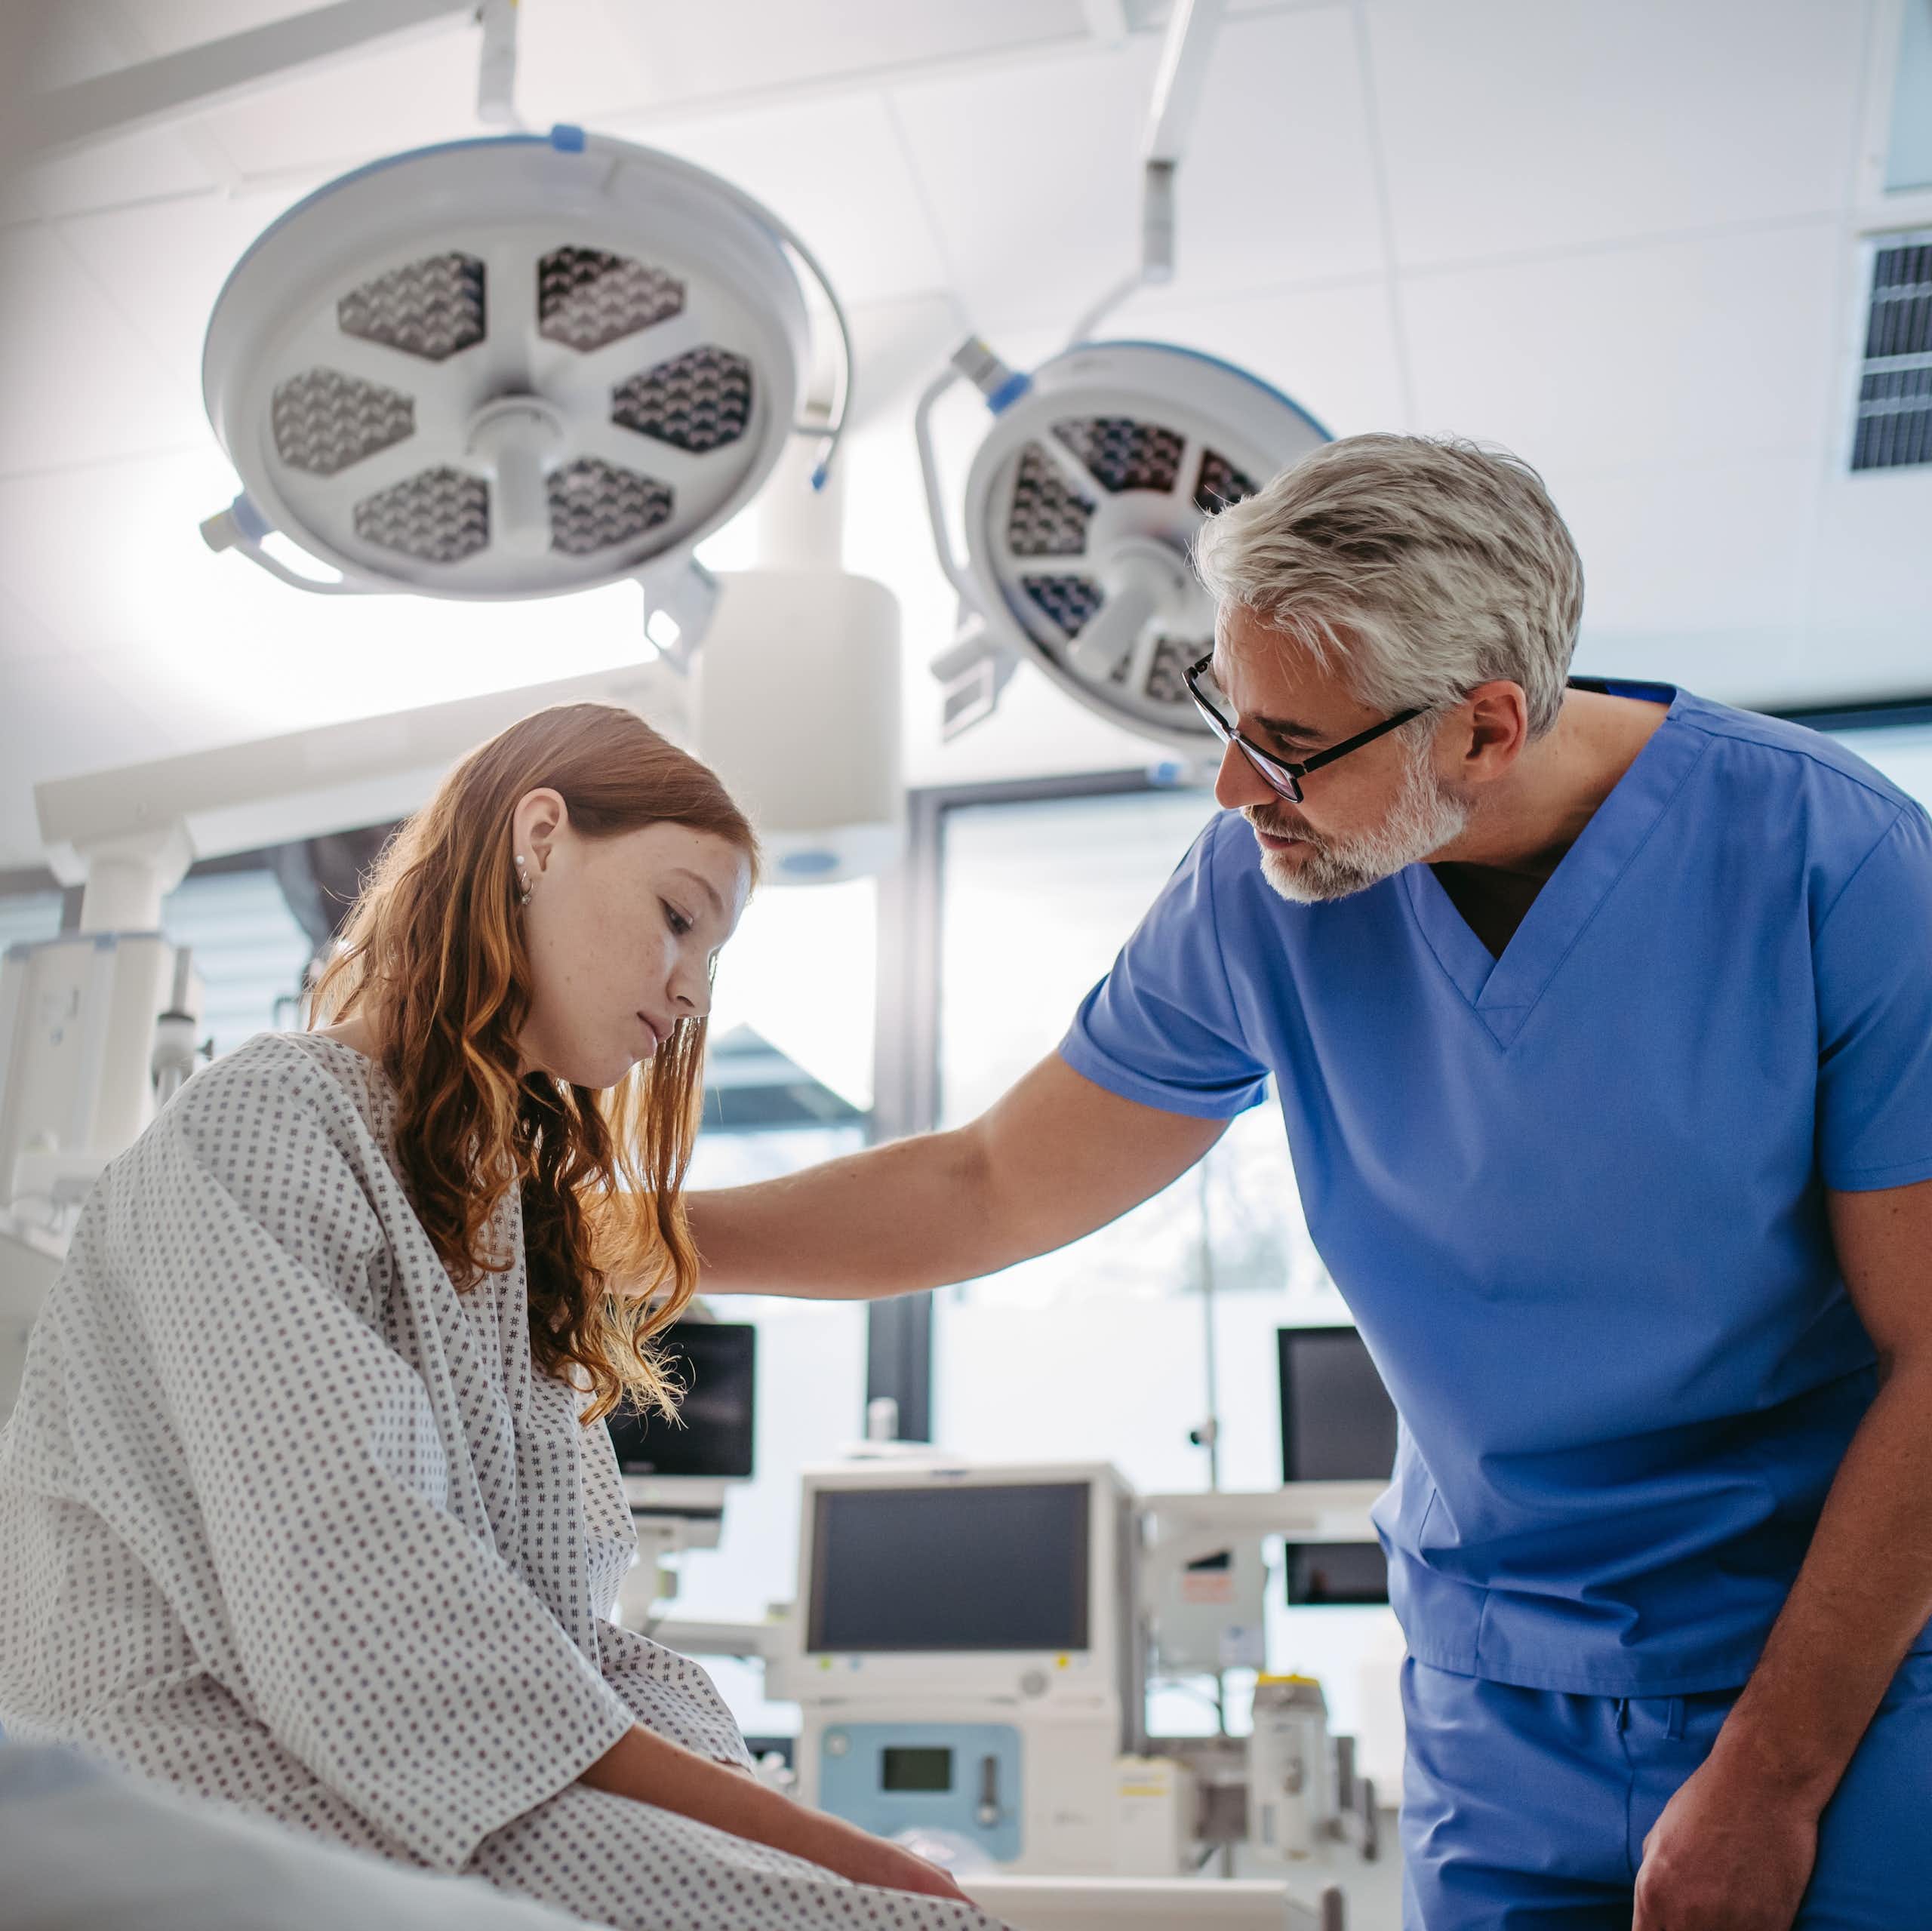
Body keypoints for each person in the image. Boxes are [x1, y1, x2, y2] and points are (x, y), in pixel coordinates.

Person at [687, 437, 1932, 1931]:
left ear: (1478, 729)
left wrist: (1777, 1773)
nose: (1232, 784)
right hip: (1497, 1687)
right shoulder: (1259, 894)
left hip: (1826, 1670)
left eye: (1283, 741)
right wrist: (631, 1242)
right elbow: (991, 1180)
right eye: (1224, 709)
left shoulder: (1828, 860)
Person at [0, 703, 1002, 1931]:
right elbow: (372, 1609)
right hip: (223, 1781)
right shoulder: (265, 1122)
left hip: (422, 1786)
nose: (692, 994)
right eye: (678, 918)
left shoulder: (488, 1222)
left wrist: (766, 1810)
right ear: (539, 836)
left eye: (713, 957)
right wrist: (818, 1847)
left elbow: (570, 1638)